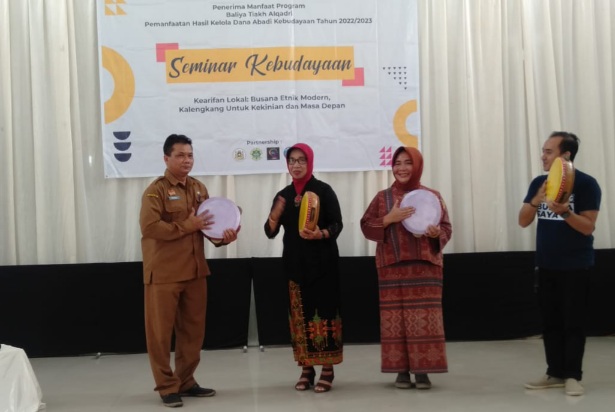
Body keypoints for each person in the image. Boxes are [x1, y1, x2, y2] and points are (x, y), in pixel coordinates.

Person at [140, 134, 239, 407]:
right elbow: (150, 228)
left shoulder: (198, 188)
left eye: (190, 155)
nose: (187, 160)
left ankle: (185, 380)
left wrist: (224, 237)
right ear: (166, 159)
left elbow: (207, 227)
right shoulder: (155, 191)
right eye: (181, 155)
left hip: (195, 272)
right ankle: (166, 386)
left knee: (193, 332)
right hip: (164, 274)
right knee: (160, 335)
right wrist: (188, 225)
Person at [360, 146, 452, 390]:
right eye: (397, 163)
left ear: (418, 165)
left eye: (407, 162)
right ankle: (401, 371)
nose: (401, 168)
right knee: (395, 320)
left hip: (425, 269)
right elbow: (366, 225)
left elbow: (446, 228)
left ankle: (423, 371)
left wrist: (436, 234)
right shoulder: (382, 198)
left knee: (425, 319)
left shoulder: (432, 196)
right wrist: (389, 218)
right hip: (392, 269)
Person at [519, 131, 601, 396]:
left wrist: (565, 211)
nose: (543, 156)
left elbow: (588, 227)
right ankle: (554, 372)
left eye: (548, 151)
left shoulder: (587, 184)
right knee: (550, 323)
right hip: (546, 264)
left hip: (576, 266)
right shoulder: (539, 183)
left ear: (565, 156)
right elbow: (522, 221)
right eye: (543, 151)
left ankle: (572, 376)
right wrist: (536, 200)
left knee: (573, 323)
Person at [264, 143, 343, 393]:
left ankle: (327, 369)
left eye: (301, 160)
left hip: (323, 266)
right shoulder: (284, 195)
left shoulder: (323, 190)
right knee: (300, 318)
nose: (296, 165)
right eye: (292, 161)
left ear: (310, 163)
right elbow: (269, 232)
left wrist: (321, 233)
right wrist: (274, 216)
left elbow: (337, 224)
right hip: (295, 266)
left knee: (324, 315)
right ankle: (306, 369)